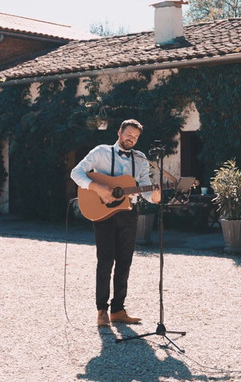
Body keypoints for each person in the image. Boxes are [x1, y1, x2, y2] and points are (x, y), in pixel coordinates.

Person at [70, 119, 161, 326]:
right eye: (128, 134)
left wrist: (155, 196)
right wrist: (96, 187)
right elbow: (76, 173)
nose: (131, 139)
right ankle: (101, 310)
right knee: (105, 261)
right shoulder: (100, 152)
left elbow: (145, 186)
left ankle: (118, 309)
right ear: (119, 132)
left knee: (124, 262)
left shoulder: (140, 158)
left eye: (136, 137)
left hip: (128, 213)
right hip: (102, 213)